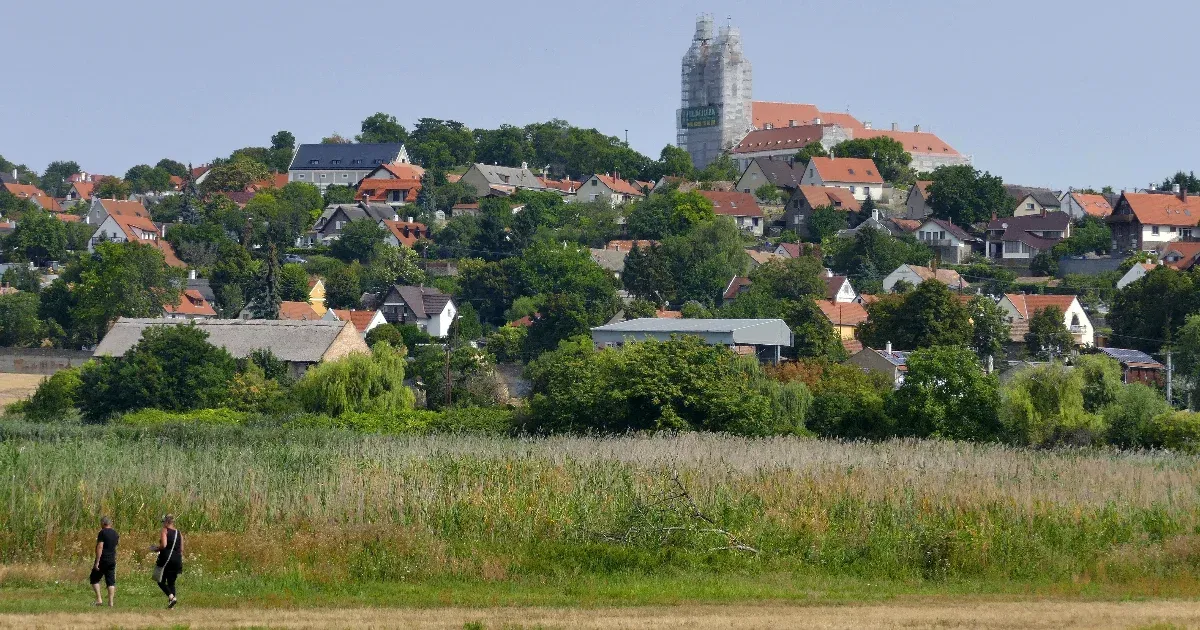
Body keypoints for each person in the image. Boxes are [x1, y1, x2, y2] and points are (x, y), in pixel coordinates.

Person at [151, 514, 183, 609]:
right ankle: (171, 606)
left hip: (166, 558)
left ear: (166, 522)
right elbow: (181, 549)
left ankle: (171, 597)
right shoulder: (179, 533)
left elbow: (164, 545)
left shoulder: (165, 530)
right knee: (171, 582)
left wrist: (156, 548)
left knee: (159, 580)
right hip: (177, 559)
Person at [89, 516, 119, 607]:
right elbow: (115, 546)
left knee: (94, 579)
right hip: (112, 559)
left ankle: (99, 599)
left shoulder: (102, 533)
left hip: (103, 559)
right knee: (110, 581)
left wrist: (97, 561)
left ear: (103, 523)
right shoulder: (115, 533)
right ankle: (110, 602)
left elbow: (100, 546)